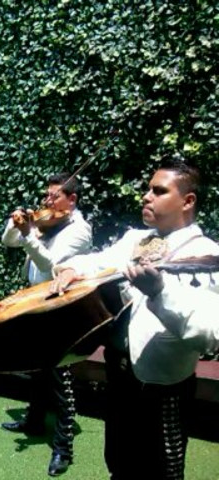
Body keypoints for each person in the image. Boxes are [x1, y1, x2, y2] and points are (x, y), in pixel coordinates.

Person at [51, 159, 219, 479]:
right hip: (121, 378)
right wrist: (73, 268)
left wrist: (159, 292)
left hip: (162, 390)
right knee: (119, 464)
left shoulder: (207, 255)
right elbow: (100, 261)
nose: (146, 196)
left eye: (159, 190)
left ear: (188, 201)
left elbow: (211, 334)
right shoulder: (138, 241)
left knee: (161, 473)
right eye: (148, 188)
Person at [0, 172, 92, 477]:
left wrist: (29, 234)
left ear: (72, 199)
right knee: (36, 367)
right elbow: (8, 241)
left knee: (59, 376)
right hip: (33, 301)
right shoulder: (44, 221)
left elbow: (51, 266)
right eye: (47, 195)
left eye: (54, 196)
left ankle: (63, 448)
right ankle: (34, 420)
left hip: (59, 305)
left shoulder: (80, 230)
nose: (47, 201)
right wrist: (18, 224)